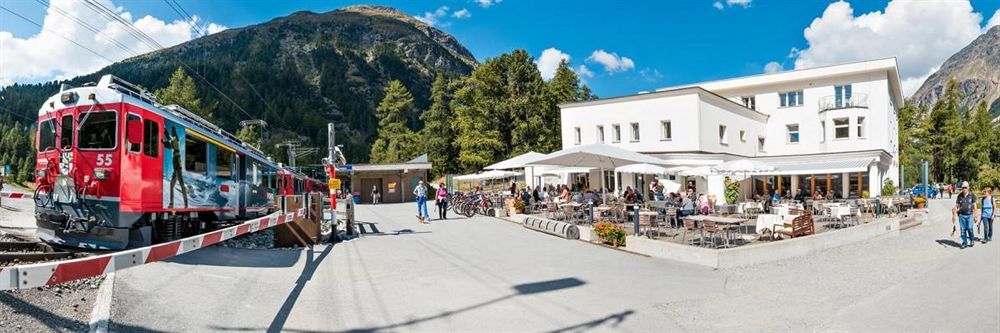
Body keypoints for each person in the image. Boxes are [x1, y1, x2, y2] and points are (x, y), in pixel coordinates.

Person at [164, 127, 188, 208]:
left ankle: (185, 203)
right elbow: (169, 144)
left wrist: (164, 131)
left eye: (173, 133)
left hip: (177, 166)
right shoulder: (174, 142)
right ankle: (172, 203)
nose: (172, 135)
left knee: (181, 184)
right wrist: (163, 142)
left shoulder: (175, 141)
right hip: (176, 166)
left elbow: (168, 139)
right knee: (172, 185)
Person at [953, 181, 977, 249]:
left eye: (965, 187)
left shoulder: (972, 195)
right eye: (963, 187)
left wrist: (976, 216)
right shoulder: (959, 196)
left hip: (969, 215)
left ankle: (972, 239)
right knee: (962, 230)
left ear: (968, 188)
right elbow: (956, 205)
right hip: (961, 216)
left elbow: (975, 206)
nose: (964, 189)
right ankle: (965, 243)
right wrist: (954, 215)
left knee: (970, 228)